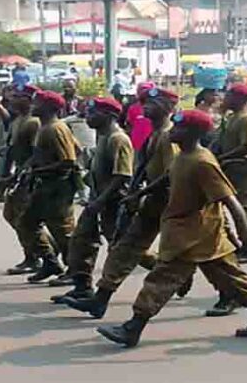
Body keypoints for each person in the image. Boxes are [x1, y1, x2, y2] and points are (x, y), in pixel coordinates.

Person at [96, 109, 247, 347]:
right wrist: (140, 193)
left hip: (193, 233)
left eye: (179, 128)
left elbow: (230, 200)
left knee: (161, 279)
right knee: (229, 276)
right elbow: (167, 178)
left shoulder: (202, 162)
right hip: (195, 231)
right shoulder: (183, 156)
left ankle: (133, 327)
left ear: (194, 133)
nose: (173, 131)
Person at [63, 87, 180, 319]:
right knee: (123, 250)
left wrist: (138, 192)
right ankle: (100, 299)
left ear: (168, 108)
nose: (145, 106)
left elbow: (170, 175)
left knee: (208, 257)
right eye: (144, 102)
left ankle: (240, 296)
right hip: (150, 202)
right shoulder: (154, 135)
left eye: (152, 104)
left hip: (170, 203)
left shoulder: (169, 137)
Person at [52, 97, 134, 302]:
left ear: (109, 116)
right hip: (97, 200)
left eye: (93, 113)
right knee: (81, 242)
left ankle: (174, 273)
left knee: (125, 249)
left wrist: (100, 201)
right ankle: (82, 286)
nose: (87, 117)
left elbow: (123, 175)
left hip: (113, 203)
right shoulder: (103, 136)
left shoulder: (118, 139)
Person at [19, 90, 81, 284]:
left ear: (48, 107)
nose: (33, 105)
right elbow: (76, 147)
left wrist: (38, 171)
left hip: (58, 187)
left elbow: (68, 160)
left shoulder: (55, 128)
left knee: (62, 231)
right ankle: (50, 262)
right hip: (45, 186)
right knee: (27, 223)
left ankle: (76, 271)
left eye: (37, 103)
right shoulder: (44, 127)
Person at [0, 84, 51, 275]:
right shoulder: (17, 120)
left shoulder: (33, 122)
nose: (11, 99)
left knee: (25, 220)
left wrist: (17, 175)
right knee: (12, 215)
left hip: (29, 177)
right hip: (17, 176)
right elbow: (11, 150)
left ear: (28, 100)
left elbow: (36, 154)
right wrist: (3, 174)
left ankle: (41, 256)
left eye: (18, 96)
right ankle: (34, 254)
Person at [216, 84, 247, 236]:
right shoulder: (232, 117)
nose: (226, 99)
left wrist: (222, 157)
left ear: (240, 99)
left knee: (245, 209)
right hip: (229, 168)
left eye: (229, 96)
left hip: (241, 169)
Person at [125, 81, 155, 152]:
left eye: (146, 90)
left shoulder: (156, 108)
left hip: (152, 144)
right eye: (141, 90)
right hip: (136, 145)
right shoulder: (133, 108)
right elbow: (129, 125)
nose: (144, 93)